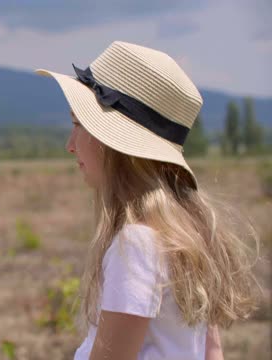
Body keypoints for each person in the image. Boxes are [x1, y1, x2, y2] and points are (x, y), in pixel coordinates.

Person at [34, 41, 261, 359]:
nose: (70, 145)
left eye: (78, 124)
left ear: (113, 144)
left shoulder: (136, 244)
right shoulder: (188, 234)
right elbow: (213, 352)